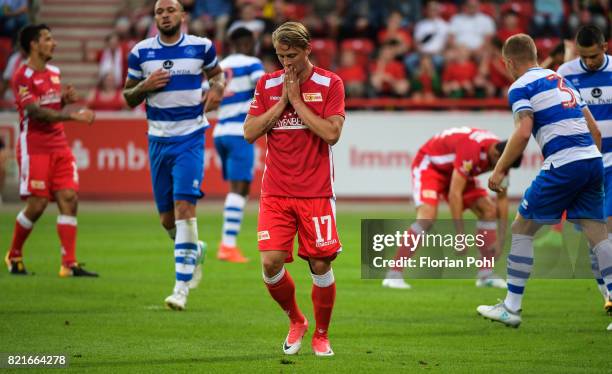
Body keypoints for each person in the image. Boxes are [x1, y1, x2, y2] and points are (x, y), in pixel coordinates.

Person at [477, 34, 612, 329]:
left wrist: (499, 169)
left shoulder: (520, 86)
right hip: (593, 160)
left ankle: (511, 307)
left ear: (509, 62)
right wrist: (589, 167)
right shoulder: (562, 80)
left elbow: (524, 131)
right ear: (536, 54)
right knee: (597, 233)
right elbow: (595, 132)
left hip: (564, 163)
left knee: (521, 226)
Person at [243, 21, 345, 356]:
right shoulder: (267, 83)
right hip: (275, 192)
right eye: (281, 55)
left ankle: (322, 334)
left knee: (320, 265)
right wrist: (281, 103)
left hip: (316, 193)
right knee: (271, 263)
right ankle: (296, 320)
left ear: (307, 49)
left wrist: (298, 102)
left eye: (292, 55)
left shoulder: (331, 83)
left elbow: (331, 134)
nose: (286, 62)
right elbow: (250, 132)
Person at [122, 0, 226, 311]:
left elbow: (218, 76)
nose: (165, 15)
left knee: (184, 208)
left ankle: (180, 289)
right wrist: (145, 85)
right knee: (167, 219)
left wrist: (217, 90)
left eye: (170, 10)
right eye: (159, 11)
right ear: (155, 17)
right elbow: (128, 97)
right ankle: (195, 249)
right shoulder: (141, 52)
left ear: (182, 15)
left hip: (190, 138)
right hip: (157, 140)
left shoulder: (201, 47)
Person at [5, 24, 98, 277]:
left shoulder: (55, 72)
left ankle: (69, 264)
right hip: (34, 146)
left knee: (69, 198)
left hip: (59, 144)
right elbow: (35, 112)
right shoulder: (21, 76)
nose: (54, 43)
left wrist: (65, 99)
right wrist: (73, 116)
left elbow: (50, 104)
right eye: (47, 39)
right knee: (36, 206)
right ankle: (14, 255)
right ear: (34, 45)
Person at [382, 127, 521, 290]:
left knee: (489, 210)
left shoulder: (504, 157)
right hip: (431, 167)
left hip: (456, 172)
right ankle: (393, 274)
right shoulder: (473, 149)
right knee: (427, 217)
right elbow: (455, 194)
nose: (500, 169)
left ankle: (486, 274)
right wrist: (460, 235)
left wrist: (501, 240)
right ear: (496, 155)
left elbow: (502, 199)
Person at [555, 25, 612, 312]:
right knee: (594, 240)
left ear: (605, 46)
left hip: (611, 164)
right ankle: (607, 294)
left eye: (594, 55)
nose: (589, 62)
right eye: (583, 56)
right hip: (585, 165)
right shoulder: (565, 73)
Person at [214, 27, 264, 263]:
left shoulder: (221, 66)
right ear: (245, 43)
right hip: (239, 132)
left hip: (220, 131)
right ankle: (227, 245)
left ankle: (228, 244)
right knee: (239, 189)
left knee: (238, 189)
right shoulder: (252, 63)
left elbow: (209, 96)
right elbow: (263, 88)